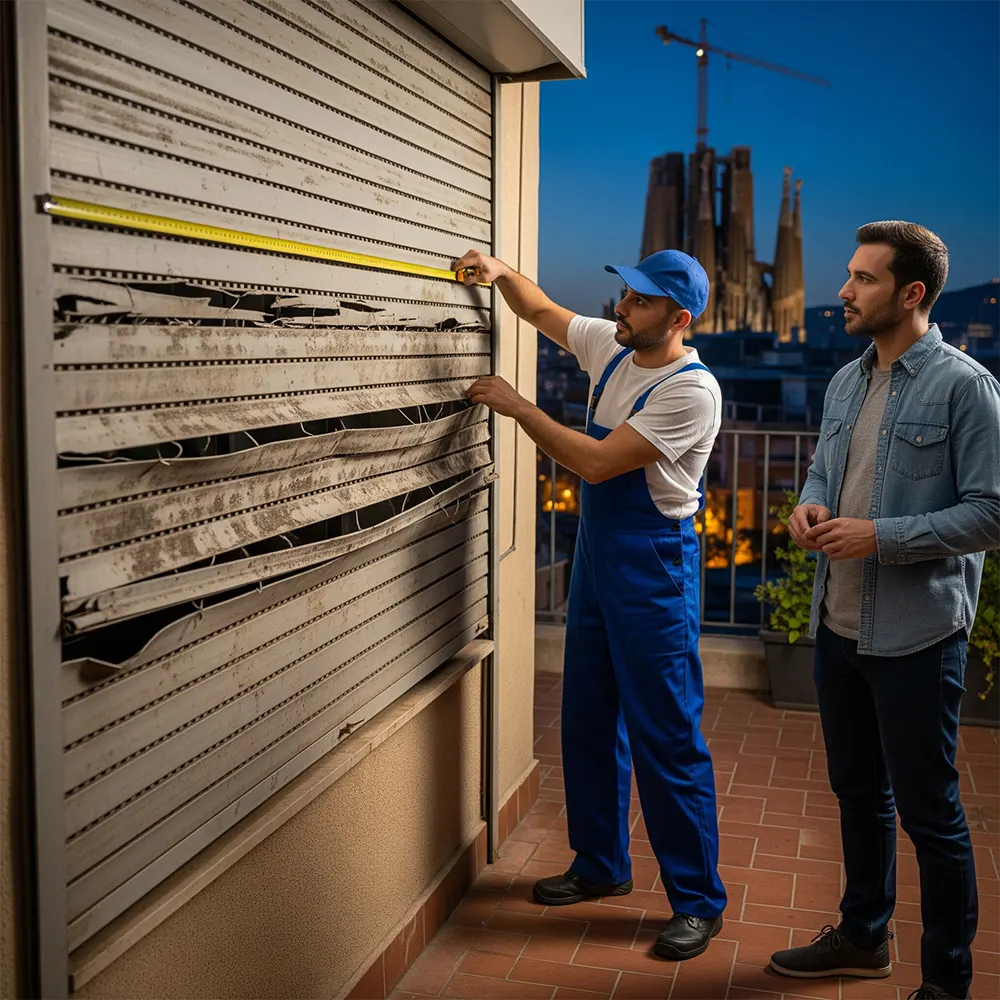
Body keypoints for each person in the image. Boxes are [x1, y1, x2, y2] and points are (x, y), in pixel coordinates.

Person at [453, 247, 727, 960]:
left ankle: (698, 901)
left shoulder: (692, 390)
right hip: (599, 555)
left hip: (655, 565)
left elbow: (598, 462)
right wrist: (501, 273)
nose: (622, 309)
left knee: (667, 735)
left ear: (678, 317)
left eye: (639, 301)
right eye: (625, 296)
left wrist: (517, 405)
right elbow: (542, 311)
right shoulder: (612, 346)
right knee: (587, 716)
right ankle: (601, 864)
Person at [768, 221, 1000, 1000]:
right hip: (836, 629)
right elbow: (821, 472)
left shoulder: (966, 386)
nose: (843, 291)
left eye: (863, 279)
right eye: (848, 275)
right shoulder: (844, 379)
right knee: (859, 794)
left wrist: (883, 537)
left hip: (917, 637)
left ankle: (946, 985)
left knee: (931, 817)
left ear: (912, 294)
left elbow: (992, 514)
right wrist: (809, 508)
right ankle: (864, 937)